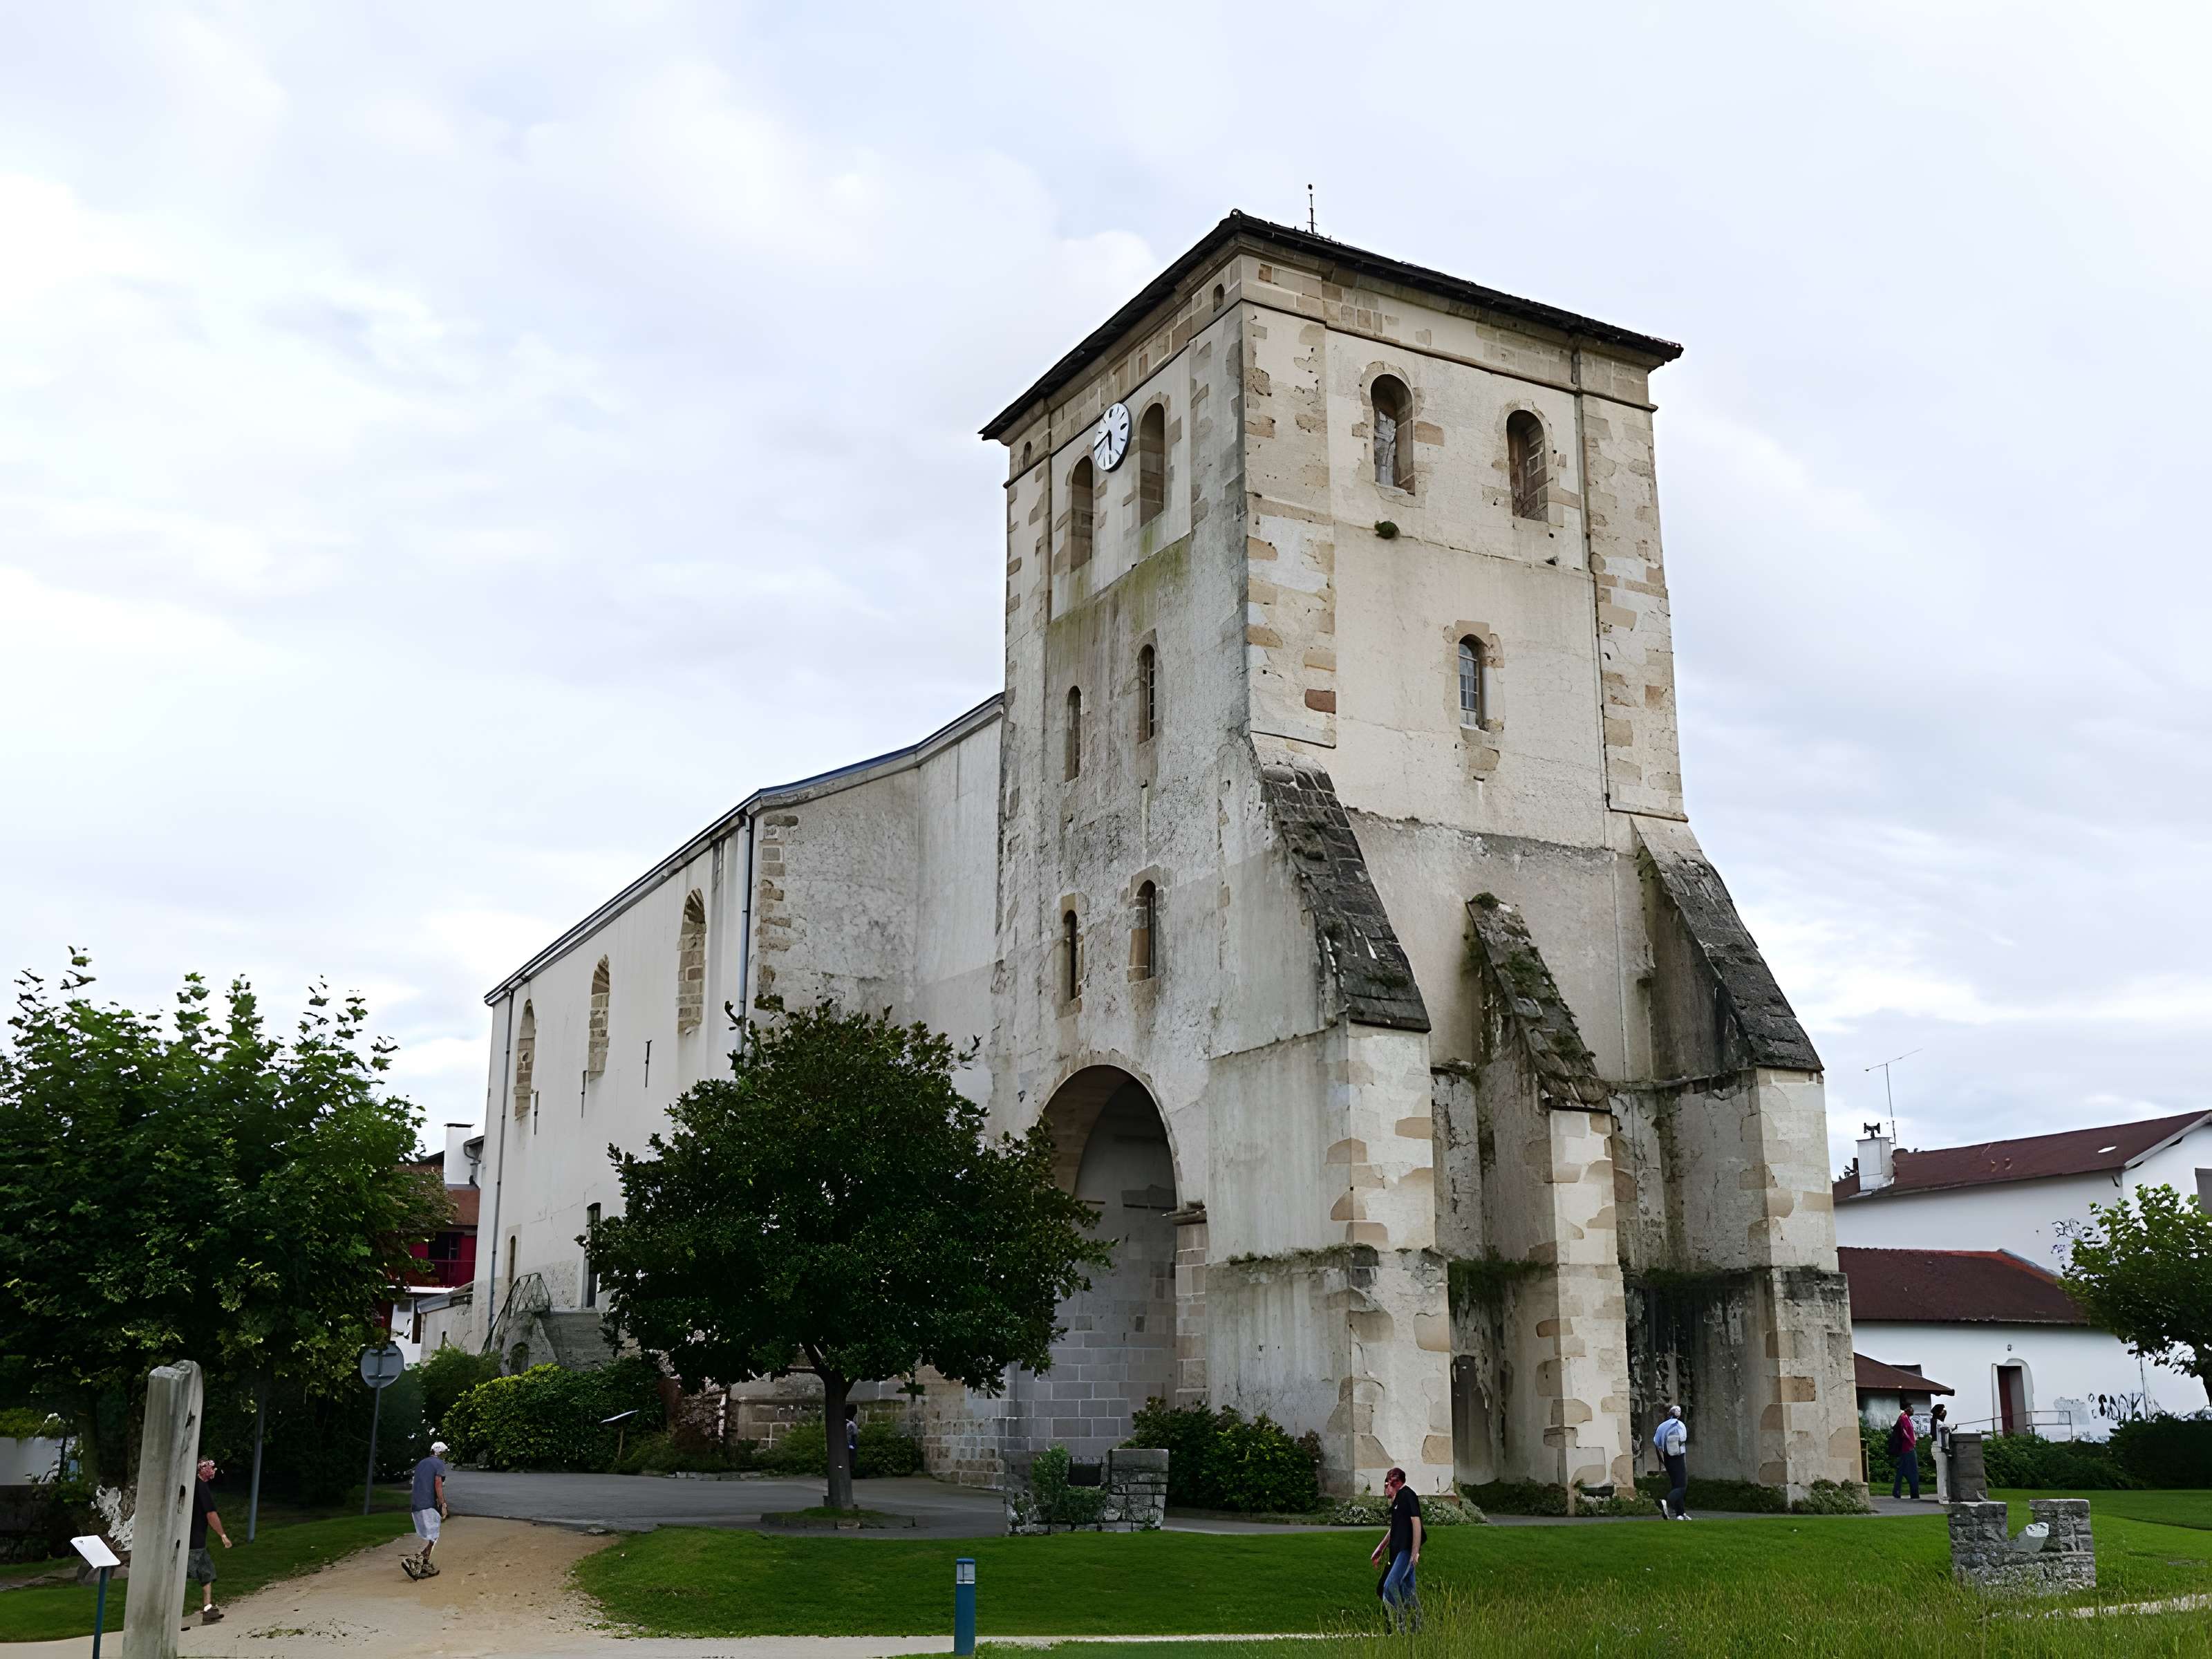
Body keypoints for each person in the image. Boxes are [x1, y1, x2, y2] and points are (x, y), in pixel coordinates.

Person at [1367, 1466, 1423, 1633]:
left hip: (1406, 1551)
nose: (1386, 1489)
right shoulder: (1397, 1501)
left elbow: (1417, 1523)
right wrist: (1380, 1549)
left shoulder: (1408, 1496)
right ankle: (1416, 1628)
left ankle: (1401, 1627)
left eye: (1389, 1485)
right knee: (1408, 1589)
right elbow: (1395, 1528)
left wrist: (1415, 1552)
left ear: (1397, 1484)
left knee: (1389, 1586)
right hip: (1397, 1551)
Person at [186, 1456, 232, 1626]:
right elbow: (211, 1514)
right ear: (202, 1470)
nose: (213, 1471)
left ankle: (208, 1609)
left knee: (207, 1573)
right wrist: (223, 1535)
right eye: (210, 1468)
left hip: (197, 1540)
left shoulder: (195, 1485)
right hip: (192, 1541)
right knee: (183, 1575)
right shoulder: (200, 1487)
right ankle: (163, 1613)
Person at [404, 1441, 452, 1580]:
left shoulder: (421, 1463)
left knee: (431, 1535)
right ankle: (417, 1559)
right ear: (441, 1453)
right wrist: (443, 1504)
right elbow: (438, 1484)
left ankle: (424, 1563)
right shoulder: (438, 1464)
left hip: (416, 1505)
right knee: (433, 1536)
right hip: (427, 1504)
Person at [1653, 1407, 1691, 1520]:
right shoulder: (1680, 1425)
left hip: (1667, 1457)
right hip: (1678, 1457)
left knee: (1676, 1485)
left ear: (1669, 1414)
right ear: (1678, 1415)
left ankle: (1680, 1513)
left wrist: (1662, 1461)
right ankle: (1666, 1501)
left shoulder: (1662, 1426)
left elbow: (1657, 1442)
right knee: (1682, 1486)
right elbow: (1683, 1440)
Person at [1888, 1408, 1922, 1501]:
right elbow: (1905, 1433)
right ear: (1907, 1409)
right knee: (1913, 1471)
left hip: (1906, 1448)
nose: (1913, 1410)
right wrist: (1912, 1442)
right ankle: (1914, 1493)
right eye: (1911, 1408)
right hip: (1908, 1448)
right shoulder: (1904, 1419)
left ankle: (1897, 1492)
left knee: (1902, 1470)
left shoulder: (1905, 1418)